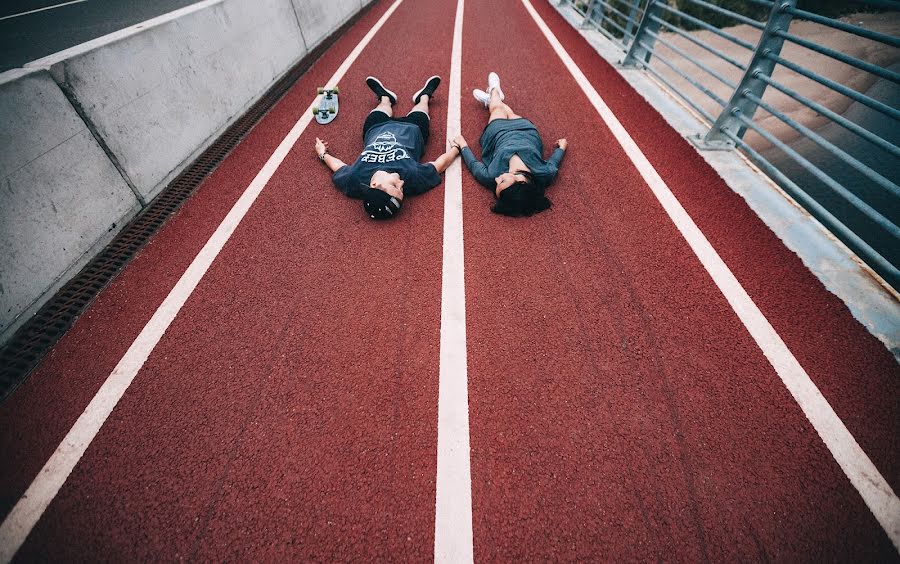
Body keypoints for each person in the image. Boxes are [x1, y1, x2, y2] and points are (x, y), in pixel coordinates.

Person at [315, 75, 460, 220]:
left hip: (376, 128)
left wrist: (323, 154)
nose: (402, 183)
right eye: (401, 190)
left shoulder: (355, 179)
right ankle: (424, 96)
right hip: (412, 129)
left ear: (374, 184)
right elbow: (439, 165)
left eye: (395, 186)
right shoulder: (413, 176)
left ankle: (385, 98)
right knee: (421, 110)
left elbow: (338, 167)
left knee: (382, 109)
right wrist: (457, 148)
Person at [453, 72, 568, 217]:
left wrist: (463, 145)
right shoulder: (543, 174)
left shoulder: (491, 176)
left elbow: (474, 165)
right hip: (526, 130)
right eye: (502, 181)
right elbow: (554, 163)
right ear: (519, 183)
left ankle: (494, 91)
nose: (496, 179)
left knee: (498, 110)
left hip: (497, 134)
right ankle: (492, 98)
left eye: (497, 183)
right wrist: (562, 148)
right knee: (510, 112)